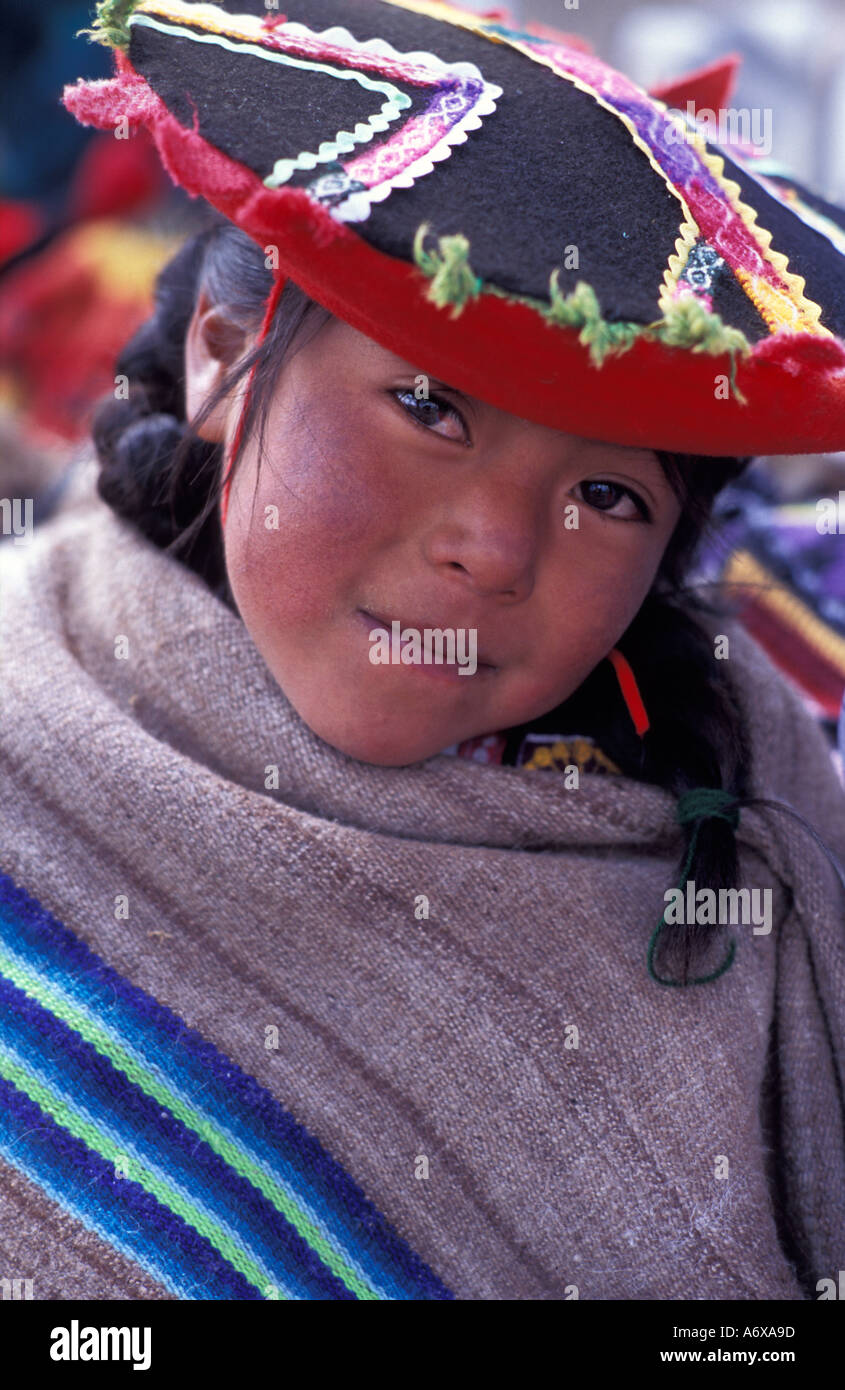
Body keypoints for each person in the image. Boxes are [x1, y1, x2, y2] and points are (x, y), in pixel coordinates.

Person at [1, 0, 844, 1302]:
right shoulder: (24, 732)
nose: (496, 549)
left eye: (609, 495)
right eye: (427, 407)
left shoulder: (735, 833)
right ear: (225, 358)